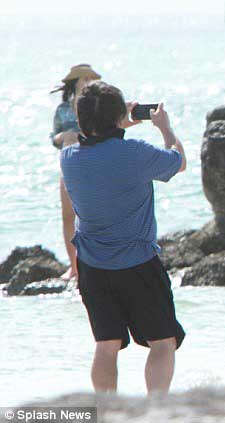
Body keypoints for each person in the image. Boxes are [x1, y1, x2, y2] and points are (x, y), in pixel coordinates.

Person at [60, 80, 187, 394]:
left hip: (92, 266)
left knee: (106, 345)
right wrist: (165, 129)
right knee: (162, 342)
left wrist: (115, 124)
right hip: (138, 263)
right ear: (118, 116)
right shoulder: (136, 153)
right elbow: (178, 161)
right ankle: (156, 412)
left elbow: (88, 141)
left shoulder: (68, 158)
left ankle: (107, 413)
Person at [50, 64, 102, 280]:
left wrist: (79, 136)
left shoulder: (96, 107)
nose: (89, 81)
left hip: (92, 164)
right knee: (68, 216)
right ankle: (74, 266)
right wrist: (64, 136)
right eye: (84, 78)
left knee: (92, 215)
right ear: (76, 82)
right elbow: (54, 138)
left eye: (91, 78)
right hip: (68, 165)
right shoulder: (62, 110)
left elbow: (103, 133)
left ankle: (96, 261)